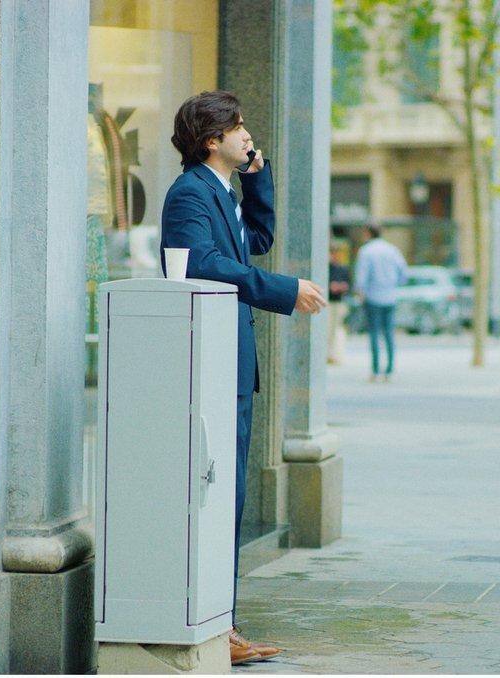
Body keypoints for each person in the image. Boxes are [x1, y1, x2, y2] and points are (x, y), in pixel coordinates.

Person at [160, 90, 326, 665]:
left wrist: (257, 179)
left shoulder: (222, 190)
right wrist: (285, 289)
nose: (247, 133)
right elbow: (200, 264)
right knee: (214, 500)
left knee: (227, 499)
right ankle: (217, 628)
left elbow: (254, 241)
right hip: (207, 368)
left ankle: (222, 624)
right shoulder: (189, 193)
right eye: (238, 127)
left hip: (229, 368)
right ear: (213, 140)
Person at [353, 224, 407, 382]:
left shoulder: (366, 251)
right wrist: (394, 285)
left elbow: (361, 275)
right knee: (389, 333)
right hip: (390, 297)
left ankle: (376, 370)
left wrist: (360, 292)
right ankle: (389, 370)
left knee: (374, 334)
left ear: (368, 233)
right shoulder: (392, 250)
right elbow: (403, 273)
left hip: (373, 297)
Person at [327, 245, 351, 365]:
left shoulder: (343, 269)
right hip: (328, 301)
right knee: (328, 328)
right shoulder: (328, 268)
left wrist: (341, 287)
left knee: (337, 329)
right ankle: (328, 353)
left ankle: (334, 354)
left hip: (339, 302)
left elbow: (348, 284)